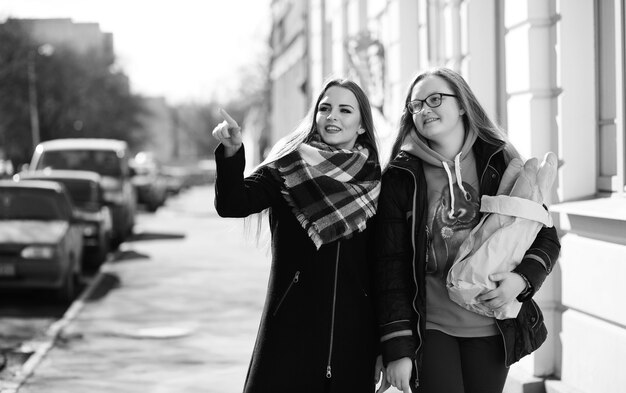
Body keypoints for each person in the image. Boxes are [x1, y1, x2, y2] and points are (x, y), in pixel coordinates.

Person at [373, 67, 561, 393]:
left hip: (493, 327)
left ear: (461, 104)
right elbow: (390, 265)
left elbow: (544, 234)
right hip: (429, 327)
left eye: (434, 99)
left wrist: (522, 280)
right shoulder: (401, 176)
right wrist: (397, 348)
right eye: (415, 105)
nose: (424, 110)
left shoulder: (499, 160)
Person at [212, 78, 383, 393]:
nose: (332, 116)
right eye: (325, 108)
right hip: (288, 336)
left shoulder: (376, 184)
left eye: (345, 110)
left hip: (353, 342)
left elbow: (383, 268)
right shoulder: (286, 170)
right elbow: (233, 204)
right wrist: (232, 152)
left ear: (361, 125)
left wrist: (387, 346)